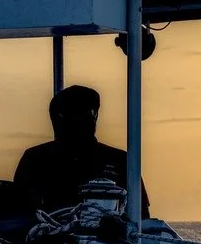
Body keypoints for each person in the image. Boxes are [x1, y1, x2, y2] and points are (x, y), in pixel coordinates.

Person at [14, 84, 150, 218]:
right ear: (58, 118)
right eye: (76, 112)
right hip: (46, 237)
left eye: (91, 113)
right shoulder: (34, 159)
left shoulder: (121, 160)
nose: (88, 118)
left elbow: (142, 218)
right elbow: (15, 212)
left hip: (109, 238)